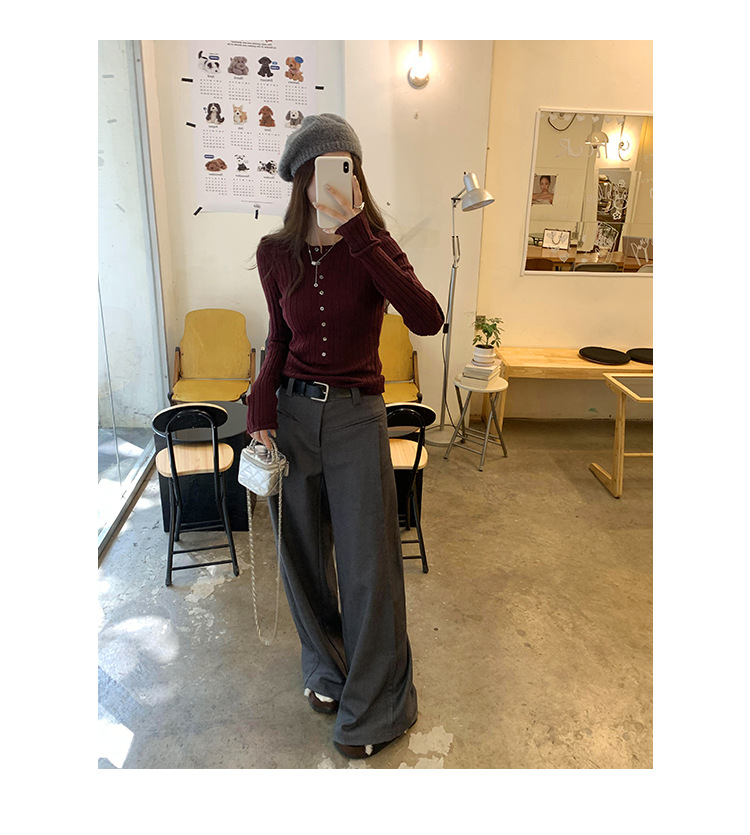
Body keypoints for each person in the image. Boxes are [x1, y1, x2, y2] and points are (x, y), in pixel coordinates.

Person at [245, 113, 444, 759]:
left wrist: (359, 233)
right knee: (301, 555)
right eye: (324, 169)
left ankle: (379, 704)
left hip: (359, 417)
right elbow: (278, 338)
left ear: (358, 175)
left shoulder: (376, 245)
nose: (335, 179)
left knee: (369, 565)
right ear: (301, 179)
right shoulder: (275, 253)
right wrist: (260, 409)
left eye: (348, 167)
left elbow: (427, 318)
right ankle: (328, 668)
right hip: (294, 417)